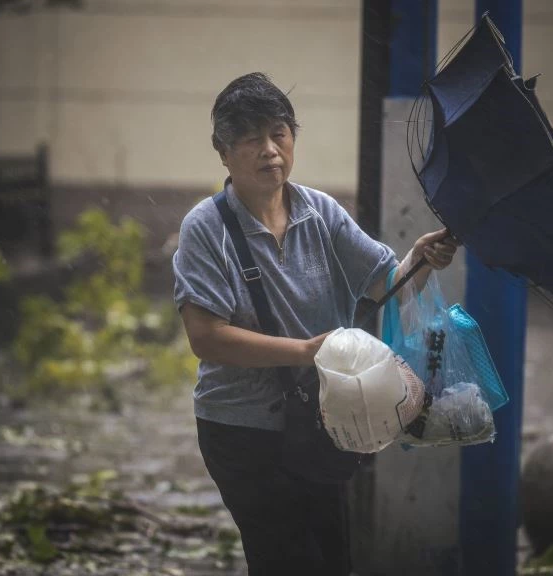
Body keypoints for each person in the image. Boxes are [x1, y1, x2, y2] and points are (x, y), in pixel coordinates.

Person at [173, 72, 458, 576]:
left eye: (279, 134)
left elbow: (387, 284)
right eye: (251, 138)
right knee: (286, 559)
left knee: (331, 558)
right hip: (240, 428)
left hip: (324, 421)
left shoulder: (320, 212)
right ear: (223, 151)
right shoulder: (206, 227)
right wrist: (306, 351)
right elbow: (207, 338)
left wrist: (420, 257)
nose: (270, 150)